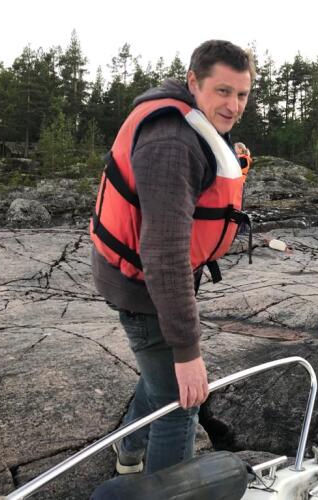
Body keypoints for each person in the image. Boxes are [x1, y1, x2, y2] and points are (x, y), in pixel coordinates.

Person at [89, 40, 255, 475]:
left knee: (159, 380)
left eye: (241, 94)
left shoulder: (194, 121)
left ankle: (127, 451)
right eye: (223, 91)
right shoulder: (172, 143)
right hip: (142, 286)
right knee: (181, 402)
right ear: (193, 82)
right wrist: (187, 350)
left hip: (144, 277)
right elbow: (163, 254)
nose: (234, 105)